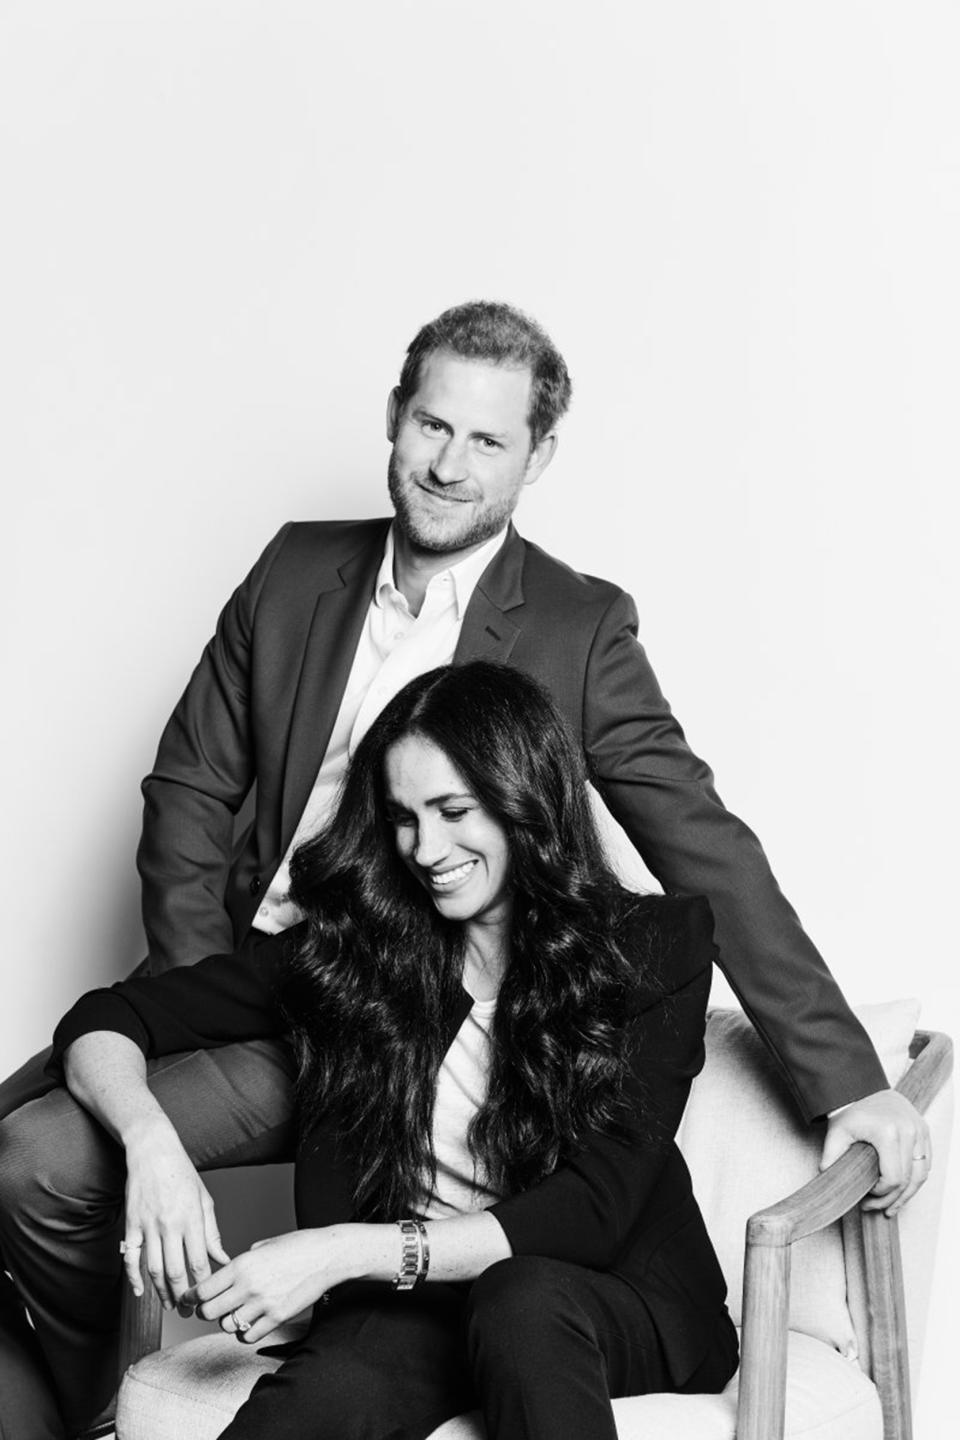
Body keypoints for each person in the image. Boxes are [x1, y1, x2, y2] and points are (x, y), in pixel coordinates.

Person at [0, 300, 928, 1436]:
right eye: (431, 426)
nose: (447, 464)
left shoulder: (579, 628)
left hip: (439, 999)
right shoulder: (297, 570)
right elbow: (190, 790)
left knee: (463, 1316)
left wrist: (846, 1077)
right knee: (35, 1157)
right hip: (308, 980)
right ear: (395, 418)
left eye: (486, 441)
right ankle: (87, 1403)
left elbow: (703, 844)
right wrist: (203, 1012)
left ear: (536, 457)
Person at [50, 662, 739, 1440]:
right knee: (319, 1401)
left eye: (454, 810)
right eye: (403, 817)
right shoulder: (353, 960)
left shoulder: (654, 945)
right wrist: (151, 1145)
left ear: (526, 798)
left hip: (614, 1298)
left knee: (519, 1300)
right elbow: (106, 1018)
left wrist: (342, 1251)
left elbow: (593, 1212)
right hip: (421, 1309)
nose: (424, 847)